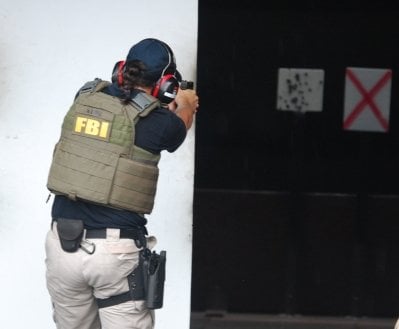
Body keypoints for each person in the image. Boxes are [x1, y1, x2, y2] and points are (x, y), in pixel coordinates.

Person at [44, 37, 199, 329]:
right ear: (166, 84)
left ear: (121, 70)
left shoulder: (86, 95)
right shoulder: (160, 124)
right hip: (113, 253)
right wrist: (186, 102)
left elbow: (119, 120)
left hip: (61, 246)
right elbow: (179, 125)